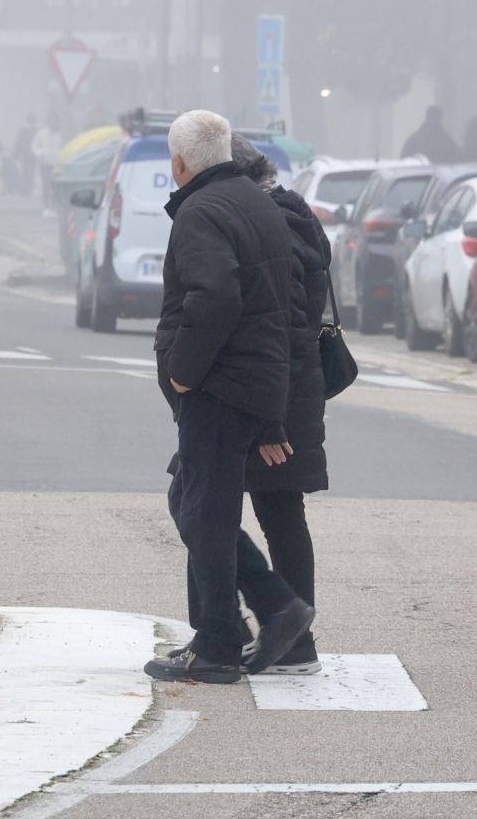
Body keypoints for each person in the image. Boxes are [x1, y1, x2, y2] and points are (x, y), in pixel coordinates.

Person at [146, 110, 312, 685]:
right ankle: (262, 610)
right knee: (193, 500)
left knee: (205, 514)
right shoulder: (255, 202)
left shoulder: (201, 211)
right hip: (256, 381)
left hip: (221, 384)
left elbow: (214, 296)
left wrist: (184, 372)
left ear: (179, 163)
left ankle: (220, 642)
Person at [230, 134, 329, 675]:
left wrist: (271, 418)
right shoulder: (292, 214)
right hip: (288, 391)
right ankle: (293, 638)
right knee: (280, 514)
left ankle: (286, 630)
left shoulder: (274, 226)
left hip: (276, 395)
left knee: (210, 505)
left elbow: (284, 326)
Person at [12, 115, 39, 197]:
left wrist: (16, 154)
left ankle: (25, 190)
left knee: (25, 172)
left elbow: (18, 143)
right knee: (31, 173)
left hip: (25, 155)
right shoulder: (37, 131)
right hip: (32, 155)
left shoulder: (23, 131)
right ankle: (29, 189)